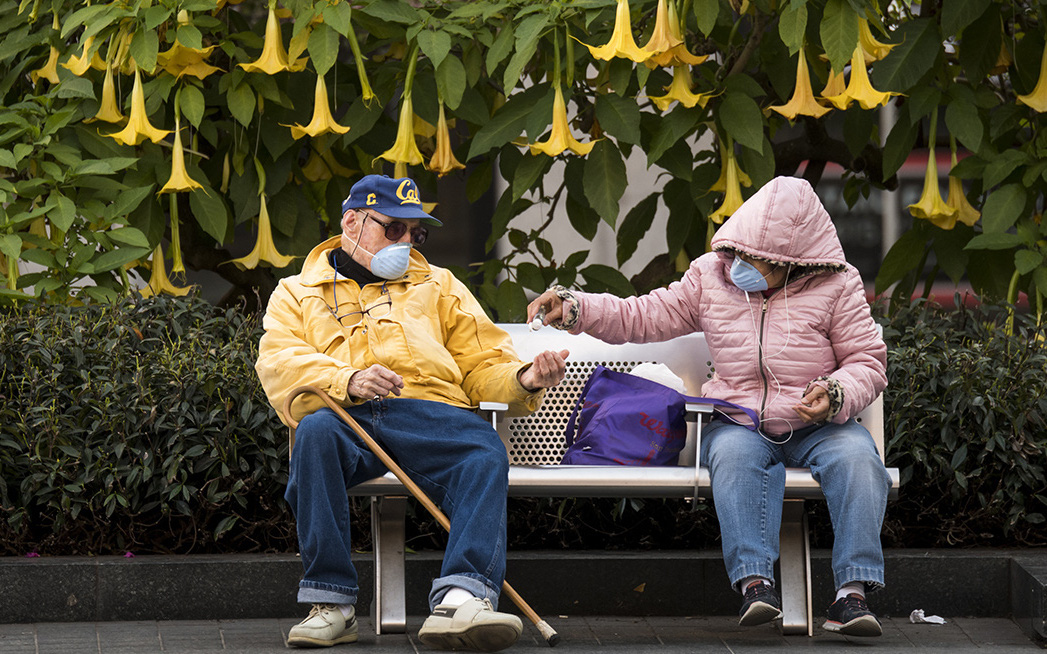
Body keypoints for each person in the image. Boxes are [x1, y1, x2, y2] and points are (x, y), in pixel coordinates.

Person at [526, 176, 891, 637]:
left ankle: (851, 596)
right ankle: (756, 586)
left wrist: (835, 393)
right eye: (739, 251)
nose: (741, 264)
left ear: (793, 262)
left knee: (859, 459)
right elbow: (645, 315)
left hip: (822, 425)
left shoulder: (837, 285)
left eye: (757, 259)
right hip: (739, 421)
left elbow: (867, 361)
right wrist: (577, 307)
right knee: (733, 457)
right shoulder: (710, 275)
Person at [256, 174, 569, 652]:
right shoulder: (296, 292)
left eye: (416, 233)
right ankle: (332, 603)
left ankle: (463, 599)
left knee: (483, 450)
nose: (405, 242)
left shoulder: (440, 285)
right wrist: (348, 379)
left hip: (432, 416)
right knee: (316, 432)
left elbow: (483, 363)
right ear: (352, 222)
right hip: (349, 417)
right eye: (394, 229)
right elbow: (279, 362)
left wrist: (524, 379)